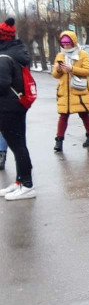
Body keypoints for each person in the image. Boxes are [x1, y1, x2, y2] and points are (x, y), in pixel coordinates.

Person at [0, 17, 35, 200]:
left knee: (17, 145)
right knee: (18, 144)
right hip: (17, 105)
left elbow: (3, 84)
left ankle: (27, 184)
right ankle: (20, 181)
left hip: (8, 107)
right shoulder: (15, 53)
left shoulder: (4, 57)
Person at [52, 30, 89, 151]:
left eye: (68, 42)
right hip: (65, 92)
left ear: (73, 41)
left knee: (84, 114)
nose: (65, 44)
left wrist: (72, 68)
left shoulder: (83, 54)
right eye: (63, 42)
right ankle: (59, 141)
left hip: (79, 90)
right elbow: (55, 75)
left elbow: (87, 71)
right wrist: (58, 69)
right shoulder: (60, 56)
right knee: (63, 116)